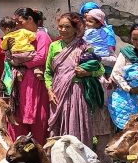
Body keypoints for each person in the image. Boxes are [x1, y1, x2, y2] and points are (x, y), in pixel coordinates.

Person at [45, 12, 105, 147]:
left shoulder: (85, 47)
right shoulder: (54, 46)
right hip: (58, 92)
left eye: (67, 27)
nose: (63, 30)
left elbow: (100, 70)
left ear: (76, 28)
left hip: (78, 91)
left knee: (77, 123)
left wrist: (88, 72)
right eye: (60, 27)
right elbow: (48, 72)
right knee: (59, 125)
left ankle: (81, 162)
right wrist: (50, 91)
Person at [8, 7, 52, 144]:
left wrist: (21, 63)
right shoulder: (17, 35)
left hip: (35, 82)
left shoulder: (41, 35)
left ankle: (38, 150)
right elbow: (8, 54)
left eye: (19, 22)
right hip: (20, 81)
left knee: (36, 114)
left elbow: (41, 57)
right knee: (19, 113)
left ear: (30, 19)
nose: (17, 25)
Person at [0, 16, 37, 83]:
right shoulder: (23, 31)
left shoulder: (7, 37)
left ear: (7, 29)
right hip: (29, 54)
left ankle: (19, 74)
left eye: (3, 31)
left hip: (16, 56)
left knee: (18, 65)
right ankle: (37, 70)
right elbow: (33, 37)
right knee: (32, 60)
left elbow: (3, 47)